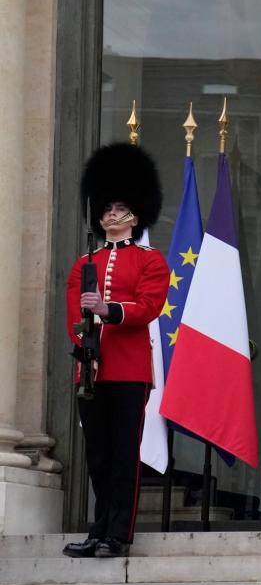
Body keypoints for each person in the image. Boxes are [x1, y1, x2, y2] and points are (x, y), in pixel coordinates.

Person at [64, 143, 170, 558]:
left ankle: (119, 531)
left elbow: (148, 307)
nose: (110, 214)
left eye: (118, 207)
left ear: (135, 213)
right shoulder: (82, 262)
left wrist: (108, 310)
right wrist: (83, 346)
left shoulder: (150, 260)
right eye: (106, 208)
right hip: (92, 368)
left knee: (125, 453)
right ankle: (99, 527)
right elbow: (74, 310)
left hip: (129, 369)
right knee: (99, 456)